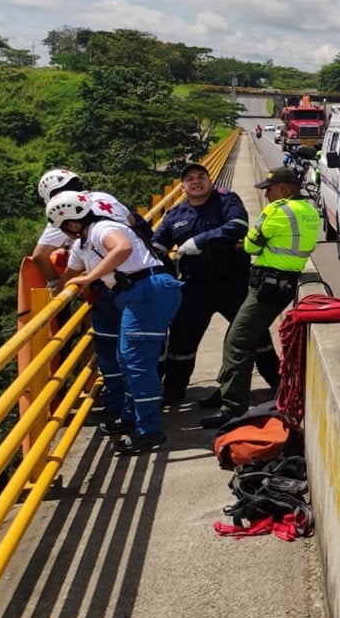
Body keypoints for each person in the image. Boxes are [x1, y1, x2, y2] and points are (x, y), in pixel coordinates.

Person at [50, 192, 183, 455]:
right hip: (138, 294)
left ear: (71, 224)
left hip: (147, 290)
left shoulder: (103, 228)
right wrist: (57, 291)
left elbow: (123, 247)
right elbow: (69, 276)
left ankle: (149, 430)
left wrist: (91, 278)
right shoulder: (83, 245)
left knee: (137, 364)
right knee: (127, 360)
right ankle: (134, 419)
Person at [200, 167, 320, 428]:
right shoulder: (310, 211)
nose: (266, 195)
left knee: (238, 341)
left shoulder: (278, 210)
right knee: (237, 333)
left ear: (284, 189)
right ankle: (226, 389)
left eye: (269, 189)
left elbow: (253, 244)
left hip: (267, 285)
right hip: (284, 283)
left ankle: (233, 406)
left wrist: (245, 244)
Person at [154, 162, 279, 405]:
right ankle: (174, 390)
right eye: (190, 179)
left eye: (201, 176)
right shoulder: (175, 215)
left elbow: (238, 226)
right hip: (194, 287)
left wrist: (199, 242)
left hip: (233, 283)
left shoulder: (226, 200)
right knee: (181, 341)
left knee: (255, 336)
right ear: (182, 187)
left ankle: (278, 382)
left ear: (210, 181)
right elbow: (157, 245)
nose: (196, 181)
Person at [32, 169, 143, 424]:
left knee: (109, 346)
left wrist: (55, 286)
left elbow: (40, 255)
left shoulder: (67, 210)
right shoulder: (104, 197)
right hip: (140, 276)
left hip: (107, 284)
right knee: (135, 346)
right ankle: (139, 402)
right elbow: (132, 222)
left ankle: (120, 408)